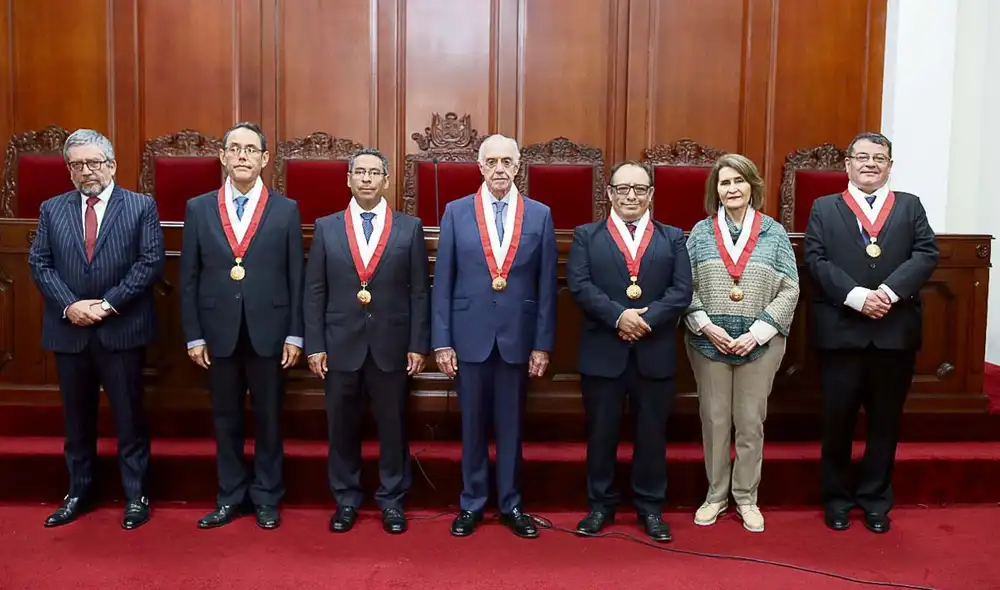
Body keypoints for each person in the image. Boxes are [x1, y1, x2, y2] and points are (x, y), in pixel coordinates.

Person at [28, 129, 164, 530]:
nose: (86, 171)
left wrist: (105, 305)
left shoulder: (141, 206)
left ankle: (136, 495)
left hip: (120, 329)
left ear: (112, 165)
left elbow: (149, 262)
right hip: (69, 329)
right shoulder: (52, 208)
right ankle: (79, 492)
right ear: (69, 170)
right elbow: (40, 263)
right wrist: (71, 305)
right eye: (77, 164)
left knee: (129, 418)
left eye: (93, 162)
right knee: (76, 420)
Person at [804, 132, 938, 534]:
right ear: (847, 164)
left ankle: (876, 500)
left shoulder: (909, 206)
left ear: (890, 165)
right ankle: (837, 499)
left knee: (885, 423)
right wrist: (857, 295)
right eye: (861, 157)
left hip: (894, 333)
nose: (870, 164)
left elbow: (926, 253)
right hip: (842, 332)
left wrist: (888, 293)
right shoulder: (824, 208)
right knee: (838, 420)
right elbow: (814, 258)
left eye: (879, 158)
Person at [432, 134, 558, 539]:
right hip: (468, 337)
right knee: (471, 426)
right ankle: (471, 502)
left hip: (517, 338)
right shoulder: (456, 212)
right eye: (492, 162)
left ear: (518, 165)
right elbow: (443, 282)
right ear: (480, 166)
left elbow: (545, 286)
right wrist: (441, 340)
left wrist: (542, 343)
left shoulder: (539, 215)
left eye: (507, 161)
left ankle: (511, 502)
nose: (500, 169)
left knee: (511, 427)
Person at [180, 121, 304, 530]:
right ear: (223, 157)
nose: (243, 156)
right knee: (226, 419)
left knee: (269, 419)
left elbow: (295, 277)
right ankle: (231, 496)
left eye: (251, 150)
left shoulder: (286, 209)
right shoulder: (199, 207)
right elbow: (189, 278)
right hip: (218, 333)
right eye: (235, 149)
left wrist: (295, 333)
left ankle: (267, 496)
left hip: (270, 331)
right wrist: (194, 333)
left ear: (265, 159)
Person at [304, 148, 430, 535]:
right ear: (348, 179)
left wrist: (418, 344)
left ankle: (392, 501)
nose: (366, 179)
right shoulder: (326, 227)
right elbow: (314, 291)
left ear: (386, 180)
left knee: (393, 426)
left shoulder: (409, 228)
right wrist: (315, 345)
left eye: (374, 172)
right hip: (339, 344)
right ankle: (345, 499)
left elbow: (419, 293)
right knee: (341, 427)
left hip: (391, 344)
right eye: (359, 172)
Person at [566, 160, 692, 542]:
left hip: (653, 352)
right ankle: (600, 506)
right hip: (603, 352)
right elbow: (580, 284)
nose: (631, 196)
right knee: (601, 434)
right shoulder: (588, 235)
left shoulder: (672, 237)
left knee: (651, 435)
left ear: (651, 194)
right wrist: (619, 317)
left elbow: (681, 291)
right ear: (609, 194)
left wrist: (645, 318)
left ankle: (651, 509)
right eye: (623, 189)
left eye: (639, 189)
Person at [683, 154, 799, 533]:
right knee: (715, 420)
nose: (731, 189)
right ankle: (716, 495)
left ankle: (746, 497)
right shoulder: (701, 233)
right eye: (723, 183)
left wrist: (758, 332)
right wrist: (705, 326)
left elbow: (790, 288)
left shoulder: (774, 233)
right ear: (714, 190)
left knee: (749, 421)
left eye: (738, 181)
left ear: (753, 186)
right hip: (708, 340)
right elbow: (685, 287)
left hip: (758, 342)